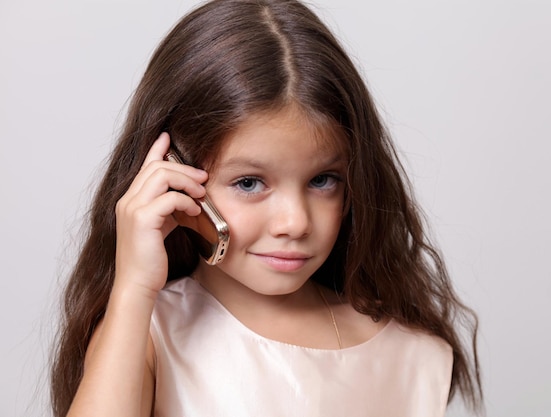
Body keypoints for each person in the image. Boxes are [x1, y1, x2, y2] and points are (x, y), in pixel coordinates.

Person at [50, 0, 482, 416]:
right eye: (249, 183)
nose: (294, 222)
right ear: (173, 177)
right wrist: (132, 288)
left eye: (322, 180)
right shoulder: (147, 334)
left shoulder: (410, 354)